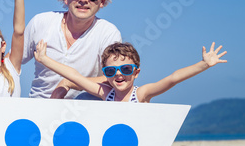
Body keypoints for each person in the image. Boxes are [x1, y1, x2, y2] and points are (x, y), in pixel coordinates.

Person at [22, 0, 121, 99]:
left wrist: (70, 82)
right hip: (38, 111)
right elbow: (12, 63)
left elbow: (115, 77)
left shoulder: (108, 33)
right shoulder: (41, 22)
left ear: (102, 1)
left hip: (84, 114)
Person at [34, 41, 227, 102]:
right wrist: (44, 59)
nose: (119, 74)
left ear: (136, 72)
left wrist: (203, 65)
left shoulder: (141, 94)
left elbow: (172, 79)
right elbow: (73, 75)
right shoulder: (106, 93)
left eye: (126, 69)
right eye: (111, 71)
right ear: (106, 73)